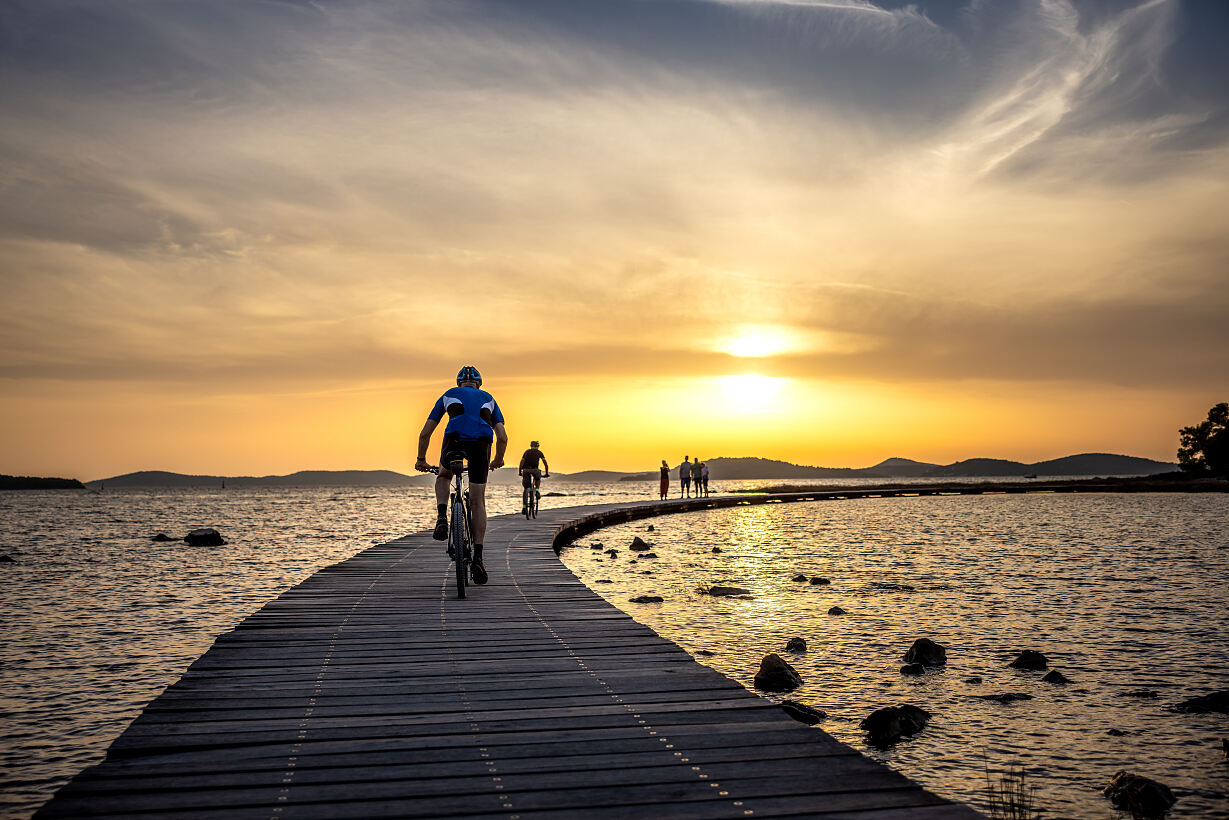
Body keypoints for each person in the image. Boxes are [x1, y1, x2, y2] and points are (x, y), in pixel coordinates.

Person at [414, 365, 507, 585]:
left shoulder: (449, 394)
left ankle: (441, 517)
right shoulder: (489, 398)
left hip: (454, 441)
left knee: (444, 476)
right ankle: (478, 558)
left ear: (459, 383)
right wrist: (498, 459)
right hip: (481, 445)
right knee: (477, 501)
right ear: (479, 384)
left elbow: (425, 433)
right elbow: (502, 437)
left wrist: (421, 460)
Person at [519, 440, 550, 513]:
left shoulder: (526, 452)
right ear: (537, 446)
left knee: (525, 488)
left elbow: (521, 462)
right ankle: (537, 490)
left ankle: (524, 507)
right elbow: (545, 463)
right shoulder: (539, 452)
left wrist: (520, 472)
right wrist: (546, 473)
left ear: (531, 446)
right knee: (538, 478)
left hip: (526, 470)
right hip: (535, 470)